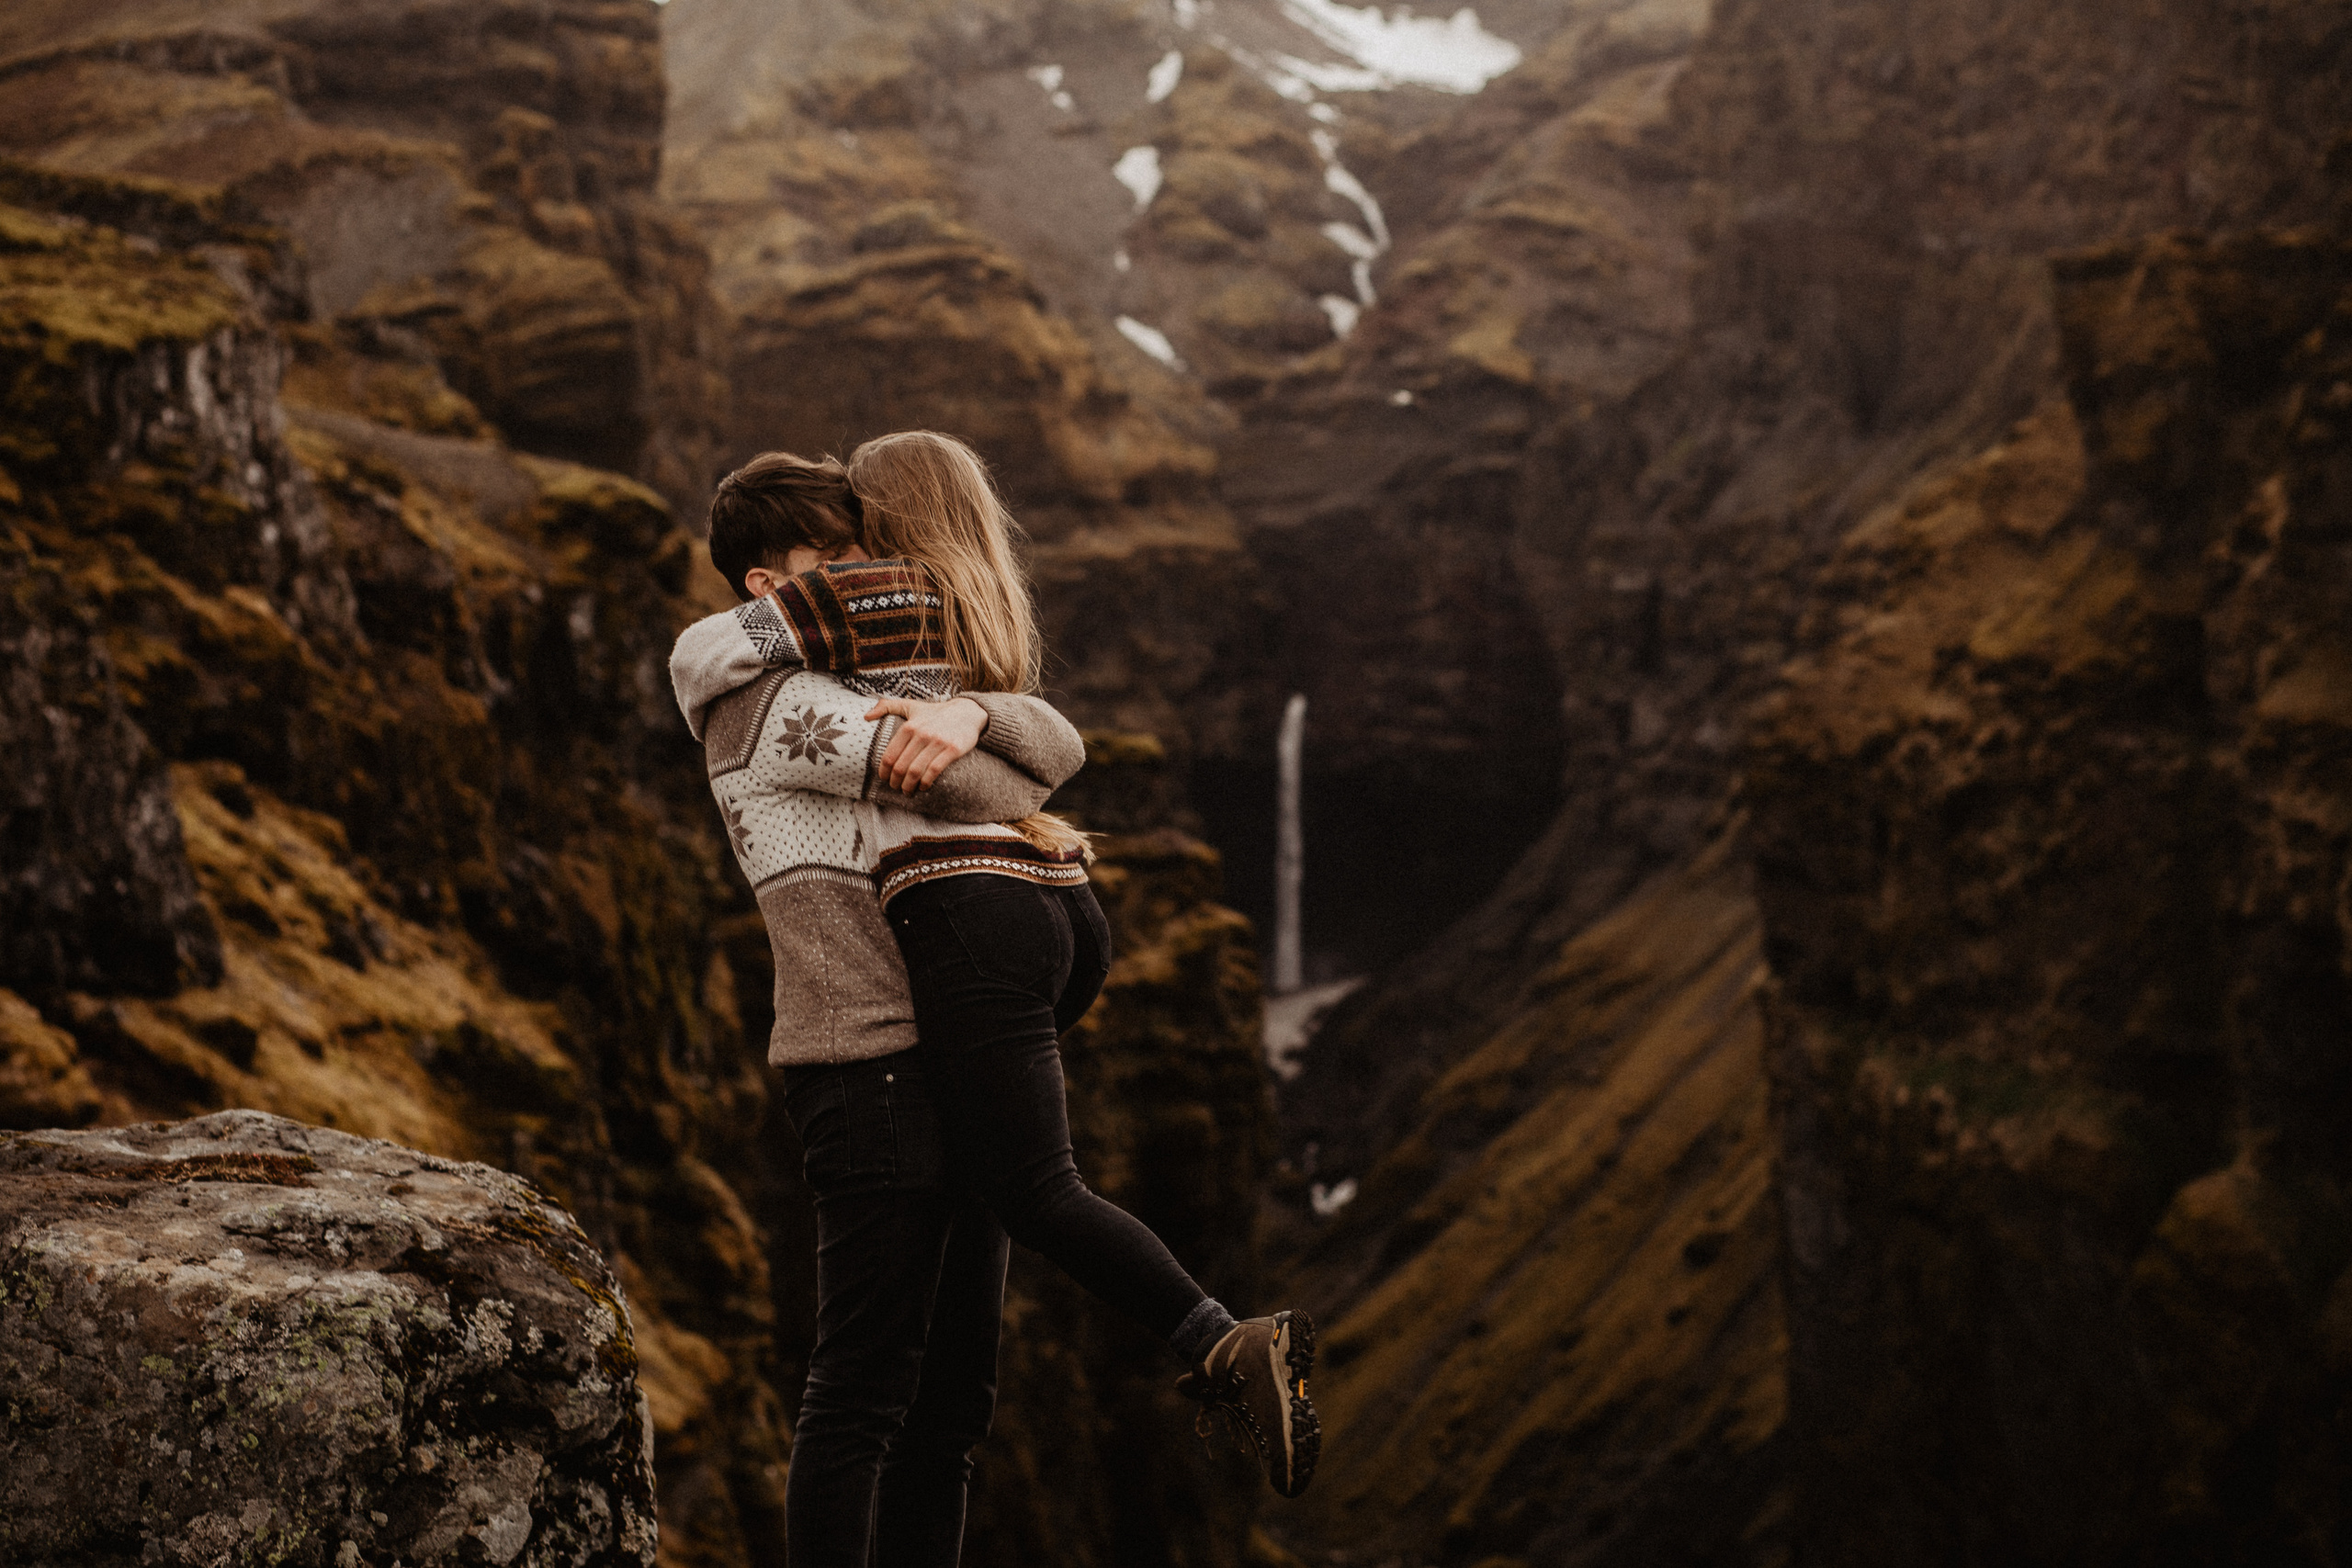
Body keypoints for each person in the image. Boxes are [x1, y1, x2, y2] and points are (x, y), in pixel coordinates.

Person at [672, 450, 1085, 1568]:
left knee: (952, 1409)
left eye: (867, 551)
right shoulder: (773, 700)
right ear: (771, 586)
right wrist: (977, 731)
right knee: (859, 1394)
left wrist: (974, 709)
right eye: (834, 557)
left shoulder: (860, 683)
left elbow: (1047, 741)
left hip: (949, 1050)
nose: (865, 575)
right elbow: (1012, 786)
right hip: (863, 1066)